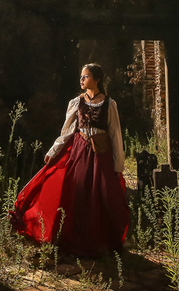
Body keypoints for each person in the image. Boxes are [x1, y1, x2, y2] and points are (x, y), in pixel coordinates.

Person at [9, 63, 130, 257]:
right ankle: (75, 238)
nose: (82, 80)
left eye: (86, 76)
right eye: (81, 76)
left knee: (101, 195)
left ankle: (100, 241)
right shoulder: (76, 102)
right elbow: (66, 132)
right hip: (80, 152)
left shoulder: (109, 104)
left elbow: (116, 135)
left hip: (101, 154)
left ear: (97, 79)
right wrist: (54, 150)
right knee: (79, 193)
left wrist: (118, 164)